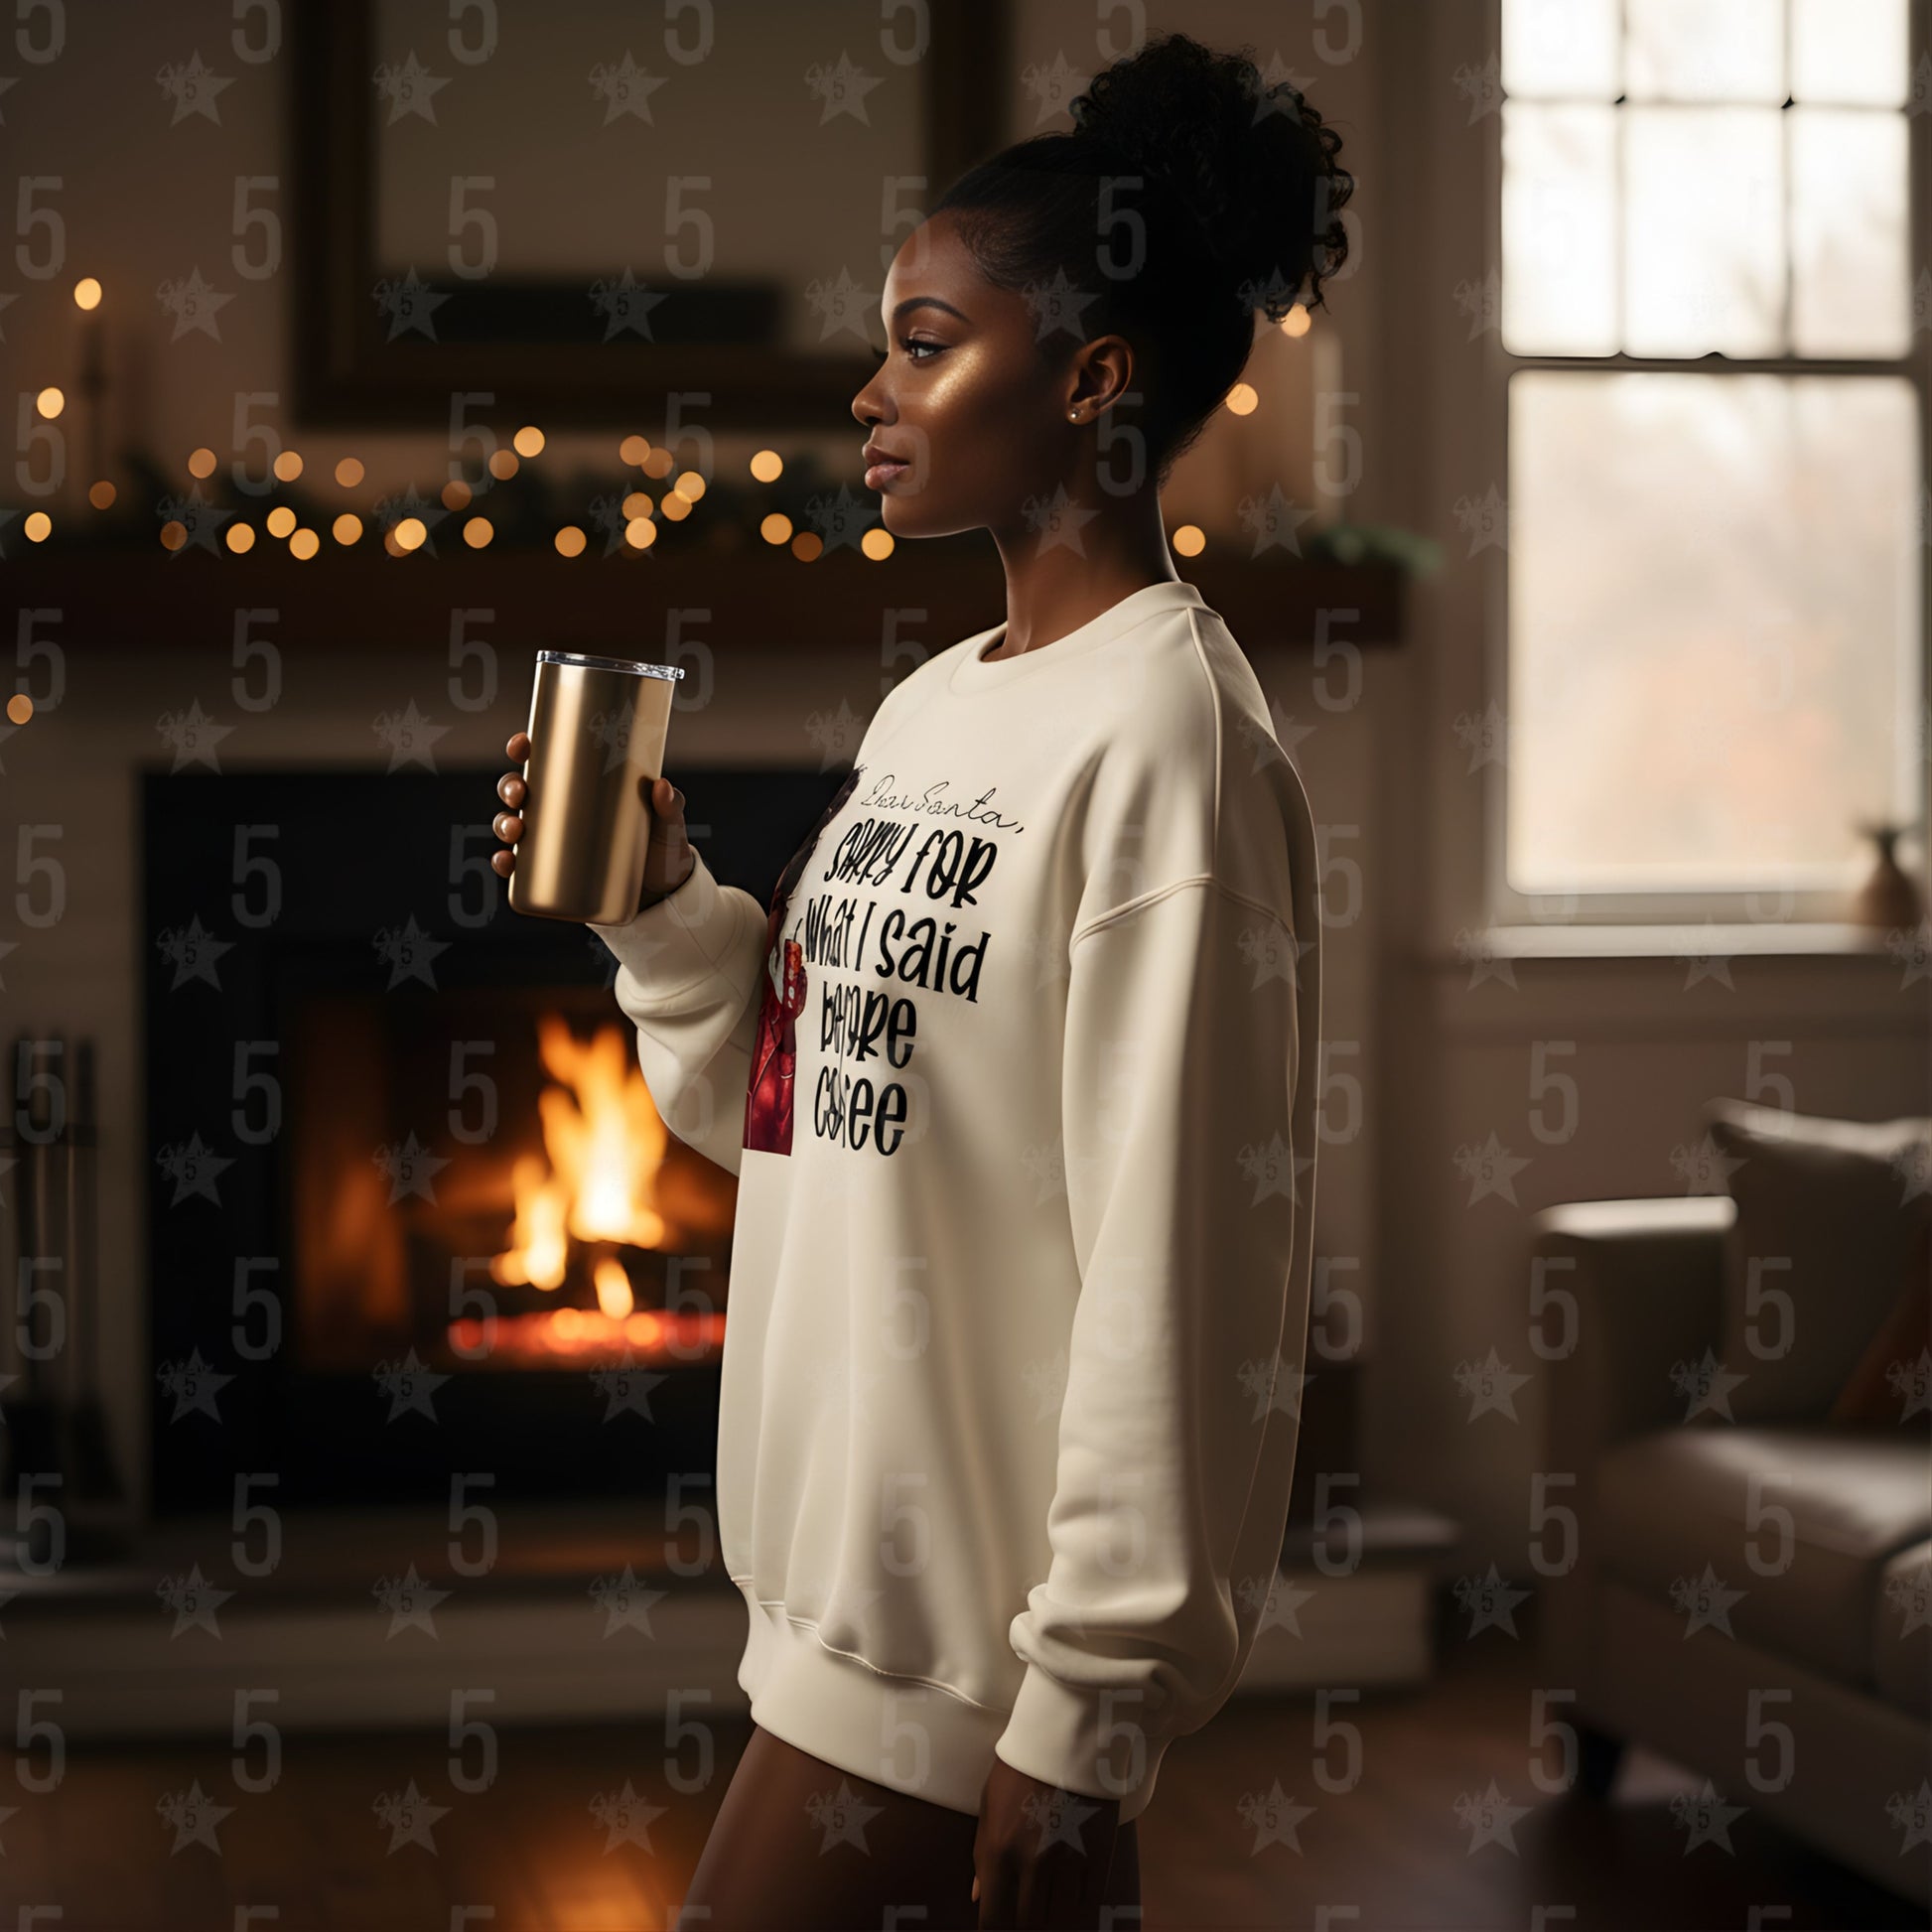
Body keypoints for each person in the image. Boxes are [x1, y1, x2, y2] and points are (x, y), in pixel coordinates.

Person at [490, 30, 1351, 1930]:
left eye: (924, 337)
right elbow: (800, 1115)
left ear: (1091, 377)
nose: (869, 387)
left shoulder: (1173, 750)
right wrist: (659, 910)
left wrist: (1087, 1713)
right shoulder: (937, 702)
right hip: (827, 1606)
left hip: (968, 1662)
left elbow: (1184, 1261)